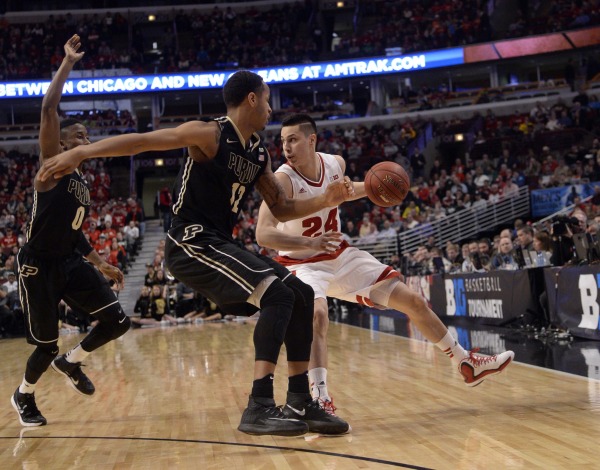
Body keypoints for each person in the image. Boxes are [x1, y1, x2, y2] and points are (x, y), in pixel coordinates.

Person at [38, 70, 353, 436]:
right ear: (251, 99)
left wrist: (325, 199)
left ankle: (300, 400)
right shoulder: (210, 134)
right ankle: (259, 405)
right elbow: (143, 141)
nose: (271, 108)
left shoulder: (257, 152)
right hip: (189, 242)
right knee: (279, 293)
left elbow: (281, 208)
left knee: (300, 293)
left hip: (220, 242)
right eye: (267, 99)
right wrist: (83, 151)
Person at [255, 114, 515, 416]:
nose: (286, 147)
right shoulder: (283, 180)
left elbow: (350, 190)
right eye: (283, 141)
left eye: (293, 139)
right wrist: (309, 244)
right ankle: (319, 396)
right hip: (302, 265)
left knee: (413, 300)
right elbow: (263, 233)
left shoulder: (335, 164)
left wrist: (381, 187)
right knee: (318, 314)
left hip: (340, 257)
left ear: (311, 140)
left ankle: (463, 361)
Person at [11, 35, 130, 428]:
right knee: (44, 345)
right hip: (37, 264)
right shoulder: (53, 166)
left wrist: (101, 263)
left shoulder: (80, 183)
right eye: (79, 137)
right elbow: (48, 107)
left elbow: (76, 233)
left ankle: (73, 360)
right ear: (61, 142)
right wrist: (67, 63)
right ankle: (24, 395)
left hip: (68, 261)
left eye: (87, 139)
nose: (86, 142)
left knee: (118, 320)